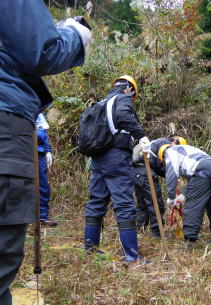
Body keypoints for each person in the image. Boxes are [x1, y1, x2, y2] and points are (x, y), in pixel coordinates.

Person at [0, 1, 91, 303]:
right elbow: (41, 51)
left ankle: (47, 215)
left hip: (27, 146)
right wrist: (76, 34)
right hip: (9, 135)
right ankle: (46, 216)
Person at [83, 75, 151, 262]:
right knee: (125, 203)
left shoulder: (102, 103)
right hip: (116, 157)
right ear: (129, 88)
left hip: (98, 158)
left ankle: (90, 249)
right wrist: (142, 136)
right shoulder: (122, 99)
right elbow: (123, 116)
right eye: (133, 93)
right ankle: (132, 256)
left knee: (96, 201)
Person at [153, 143, 211, 245]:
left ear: (162, 157)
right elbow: (195, 183)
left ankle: (190, 240)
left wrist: (171, 197)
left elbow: (172, 174)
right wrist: (183, 195)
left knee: (192, 206)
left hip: (203, 171)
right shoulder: (189, 150)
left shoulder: (170, 151)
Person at [133, 138, 172, 237]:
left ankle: (139, 230)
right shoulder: (166, 144)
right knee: (156, 204)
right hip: (146, 173)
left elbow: (156, 164)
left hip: (135, 173)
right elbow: (158, 164)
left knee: (142, 204)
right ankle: (157, 233)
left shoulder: (155, 143)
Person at [36, 113, 58, 227]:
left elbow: (43, 133)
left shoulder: (40, 114)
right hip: (23, 152)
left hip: (39, 154)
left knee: (43, 186)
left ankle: (43, 217)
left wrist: (47, 150)